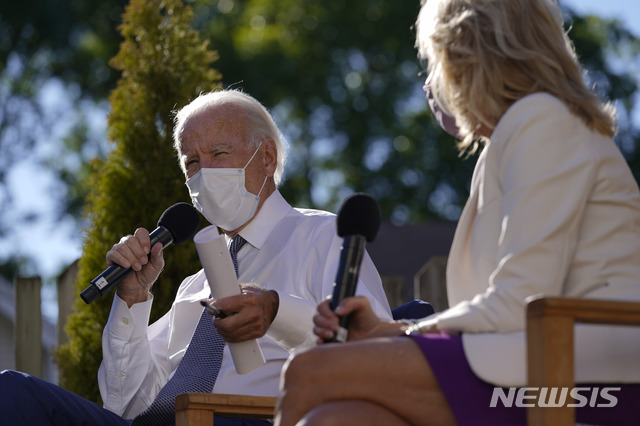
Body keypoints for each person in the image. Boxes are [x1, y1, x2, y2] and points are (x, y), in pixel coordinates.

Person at [274, 0, 640, 425]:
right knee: (337, 418)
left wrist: (406, 334)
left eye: (434, 62)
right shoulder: (516, 136)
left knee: (310, 372)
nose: (431, 83)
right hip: (535, 362)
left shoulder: (542, 121)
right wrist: (382, 331)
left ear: (465, 57)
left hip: (586, 382)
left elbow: (518, 301)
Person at [0, 89, 392, 425]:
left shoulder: (323, 236)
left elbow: (372, 354)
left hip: (255, 420)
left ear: (267, 158)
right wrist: (132, 300)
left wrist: (276, 312)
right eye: (191, 162)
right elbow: (125, 403)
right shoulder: (195, 285)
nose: (203, 173)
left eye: (219, 153)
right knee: (12, 391)